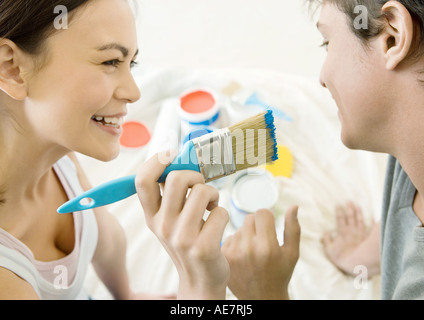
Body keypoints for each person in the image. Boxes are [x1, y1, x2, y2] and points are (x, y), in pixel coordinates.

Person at [137, 0, 424, 300]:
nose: (321, 79)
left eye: (327, 42)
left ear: (392, 36)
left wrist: (262, 294)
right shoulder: (410, 136)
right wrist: (359, 257)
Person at [0, 0, 175, 300]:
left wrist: (127, 295)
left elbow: (105, 237)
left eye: (130, 63)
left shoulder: (57, 152)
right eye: (110, 62)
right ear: (13, 69)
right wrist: (202, 286)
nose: (133, 92)